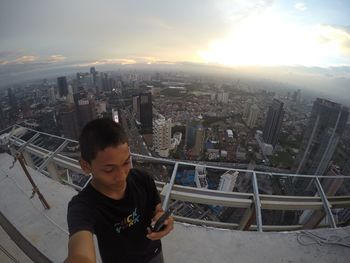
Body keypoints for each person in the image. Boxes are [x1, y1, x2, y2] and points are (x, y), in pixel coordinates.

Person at [65, 118, 174, 263]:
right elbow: (80, 252)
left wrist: (162, 219)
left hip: (153, 253)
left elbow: (156, 208)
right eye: (109, 170)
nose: (122, 176)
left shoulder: (142, 179)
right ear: (86, 166)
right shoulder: (83, 206)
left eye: (126, 162)